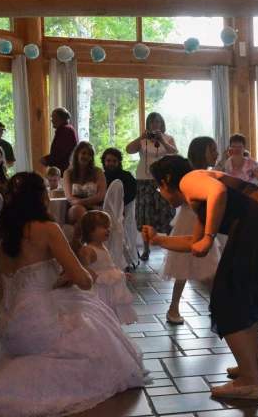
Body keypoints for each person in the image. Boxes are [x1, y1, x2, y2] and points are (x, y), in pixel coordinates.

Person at [0, 173, 147, 417]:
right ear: (40, 198)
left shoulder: (7, 236)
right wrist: (80, 274)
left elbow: (12, 289)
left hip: (7, 331)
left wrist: (60, 281)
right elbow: (84, 281)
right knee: (90, 311)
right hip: (37, 330)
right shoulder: (47, 229)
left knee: (67, 302)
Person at [143, 155, 258, 399]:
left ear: (166, 181)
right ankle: (257, 368)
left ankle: (249, 380)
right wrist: (157, 239)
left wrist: (210, 236)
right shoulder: (198, 194)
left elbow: (218, 191)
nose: (160, 192)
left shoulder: (190, 180)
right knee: (241, 299)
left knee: (227, 299)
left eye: (159, 187)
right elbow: (193, 242)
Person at [159, 137, 221, 325]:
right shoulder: (191, 175)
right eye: (212, 150)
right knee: (184, 266)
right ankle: (174, 307)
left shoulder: (209, 174)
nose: (216, 154)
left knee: (210, 267)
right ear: (202, 152)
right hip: (189, 221)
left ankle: (216, 305)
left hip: (202, 221)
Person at [125, 112, 178, 261]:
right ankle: (146, 250)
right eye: (152, 122)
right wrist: (142, 137)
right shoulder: (143, 141)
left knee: (166, 212)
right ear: (148, 125)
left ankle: (171, 248)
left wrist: (162, 140)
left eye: (158, 122)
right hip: (143, 180)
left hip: (163, 181)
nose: (155, 124)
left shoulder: (167, 138)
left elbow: (175, 153)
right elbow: (128, 150)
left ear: (162, 124)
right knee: (146, 215)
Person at [77, 211, 137, 325]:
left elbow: (109, 266)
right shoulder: (89, 250)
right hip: (101, 288)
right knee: (104, 312)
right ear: (91, 230)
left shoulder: (102, 247)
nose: (108, 230)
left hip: (110, 289)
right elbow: (82, 265)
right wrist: (88, 271)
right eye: (104, 227)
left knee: (112, 311)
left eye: (108, 227)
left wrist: (122, 275)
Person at [64, 142, 107, 250]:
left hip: (94, 209)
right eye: (83, 153)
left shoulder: (98, 171)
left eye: (89, 154)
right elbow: (70, 197)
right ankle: (93, 247)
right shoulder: (68, 173)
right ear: (77, 154)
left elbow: (101, 196)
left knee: (82, 217)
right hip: (74, 210)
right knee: (78, 210)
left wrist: (83, 203)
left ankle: (76, 247)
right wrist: (83, 204)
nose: (86, 156)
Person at [40, 108, 78, 175]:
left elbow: (60, 153)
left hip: (64, 172)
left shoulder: (65, 131)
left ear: (58, 118)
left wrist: (46, 159)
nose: (51, 120)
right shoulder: (68, 129)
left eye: (52, 117)